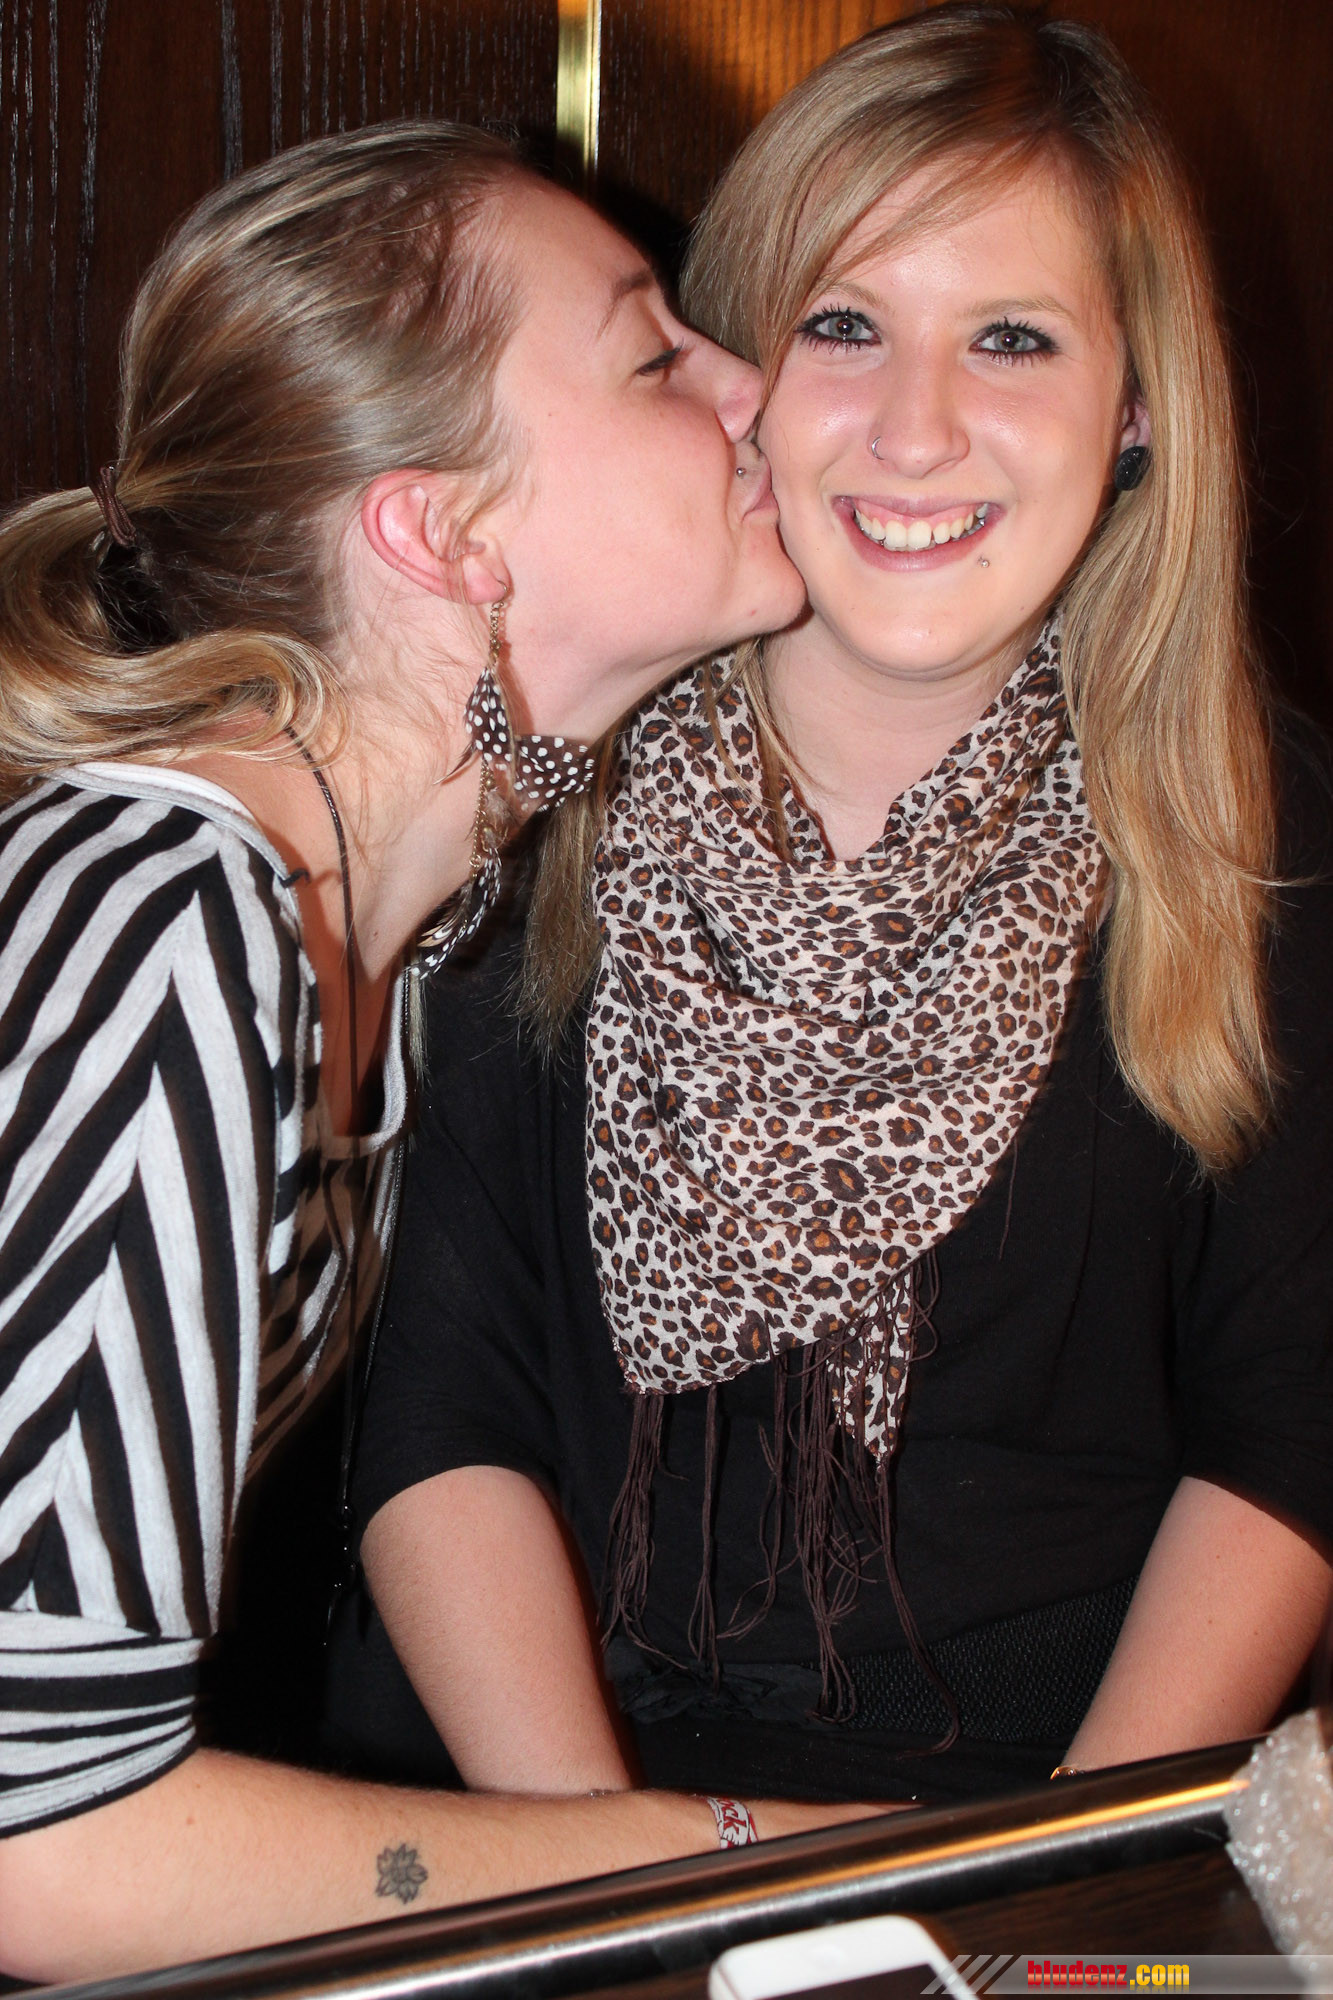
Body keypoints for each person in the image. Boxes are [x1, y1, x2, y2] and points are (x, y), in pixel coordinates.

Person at [337, 4, 1333, 1816]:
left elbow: (1288, 1430)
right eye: (843, 325)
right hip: (526, 1811)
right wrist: (617, 1889)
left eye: (1012, 339)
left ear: (1134, 411)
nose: (915, 428)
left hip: (1046, 1808)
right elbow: (437, 1405)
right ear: (733, 377)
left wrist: (1044, 1878)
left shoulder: (1258, 828)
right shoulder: (532, 787)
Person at [0, 119, 874, 1986]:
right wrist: (700, 1855)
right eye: (653, 356)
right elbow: (35, 1842)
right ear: (443, 532)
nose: (750, 384)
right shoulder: (159, 920)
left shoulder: (372, 937)